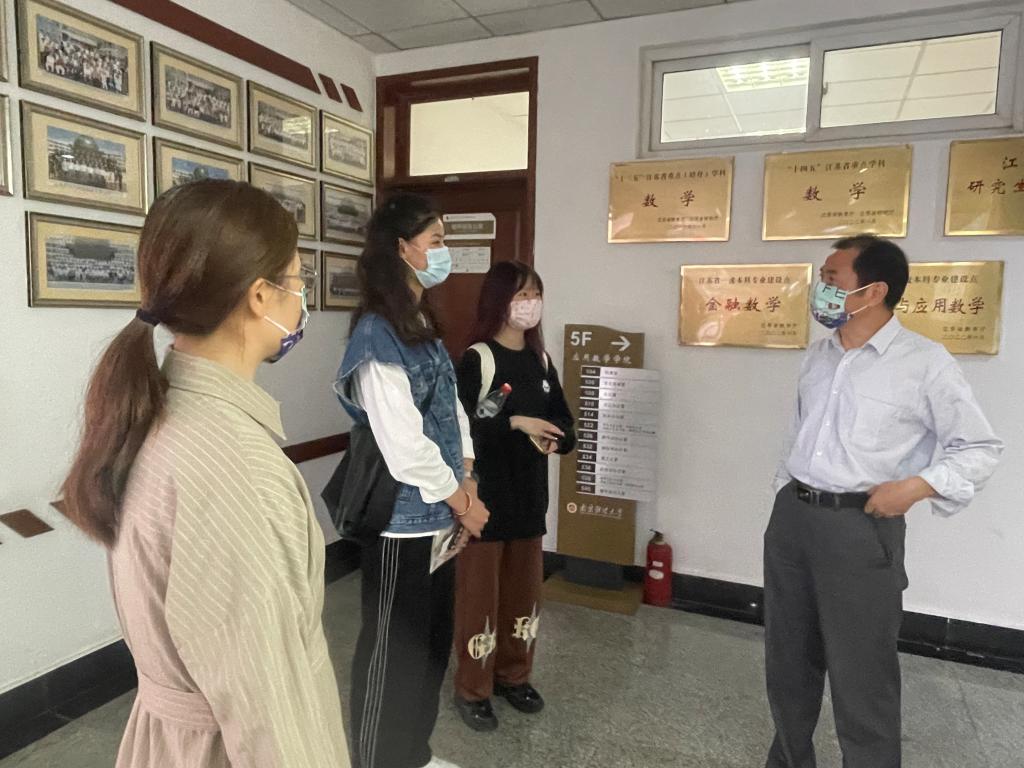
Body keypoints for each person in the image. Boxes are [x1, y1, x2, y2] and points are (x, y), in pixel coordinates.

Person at [59, 180, 350, 767]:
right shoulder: (235, 469)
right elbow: (267, 708)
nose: (301, 298)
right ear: (261, 296)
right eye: (298, 279)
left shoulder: (161, 414)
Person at [765, 235, 1004, 768]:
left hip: (861, 528)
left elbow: (980, 448)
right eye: (822, 278)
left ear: (873, 291)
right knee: (787, 661)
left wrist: (917, 486)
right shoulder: (819, 355)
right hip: (793, 521)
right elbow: (799, 433)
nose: (821, 288)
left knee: (862, 672)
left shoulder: (924, 362)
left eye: (833, 279)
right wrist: (783, 493)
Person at [334, 193, 490, 768]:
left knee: (429, 645)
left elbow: (451, 409)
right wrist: (462, 501)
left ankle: (414, 756)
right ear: (403, 249)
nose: (445, 252)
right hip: (402, 523)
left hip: (440, 513)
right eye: (437, 241)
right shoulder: (376, 334)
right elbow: (403, 446)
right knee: (391, 652)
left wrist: (467, 478)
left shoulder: (420, 322)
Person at [451, 261, 575, 731]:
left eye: (535, 294)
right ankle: (473, 688)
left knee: (524, 600)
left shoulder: (541, 361)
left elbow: (564, 422)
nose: (530, 304)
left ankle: (514, 677)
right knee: (479, 602)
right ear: (499, 300)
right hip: (485, 502)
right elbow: (462, 428)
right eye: (521, 294)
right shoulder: (478, 359)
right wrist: (515, 422)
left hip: (528, 500)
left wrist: (557, 438)